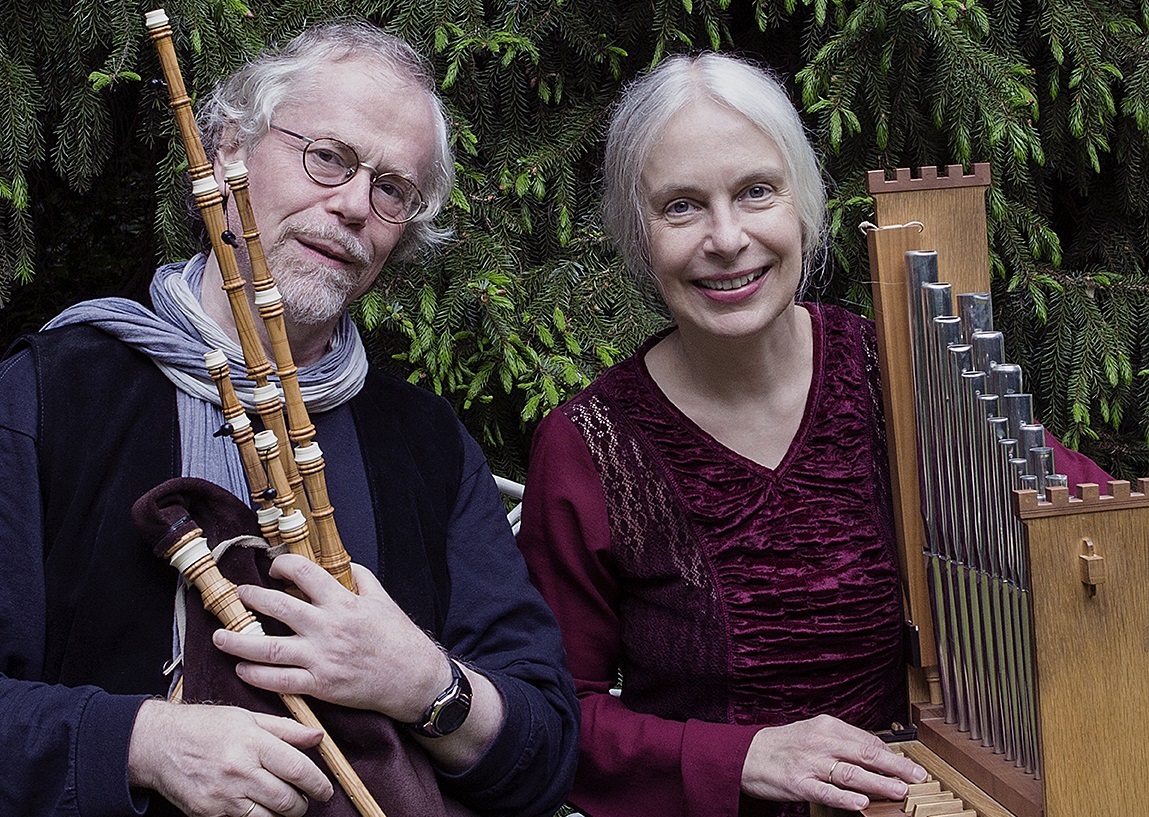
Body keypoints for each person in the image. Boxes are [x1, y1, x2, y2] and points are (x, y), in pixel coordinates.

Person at [0, 21, 577, 817]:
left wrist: (420, 682)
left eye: (391, 190)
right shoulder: (50, 395)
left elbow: (544, 749)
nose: (351, 207)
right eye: (329, 158)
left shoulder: (425, 447)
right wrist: (143, 742)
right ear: (230, 147)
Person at [514, 52, 1113, 817]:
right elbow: (554, 718)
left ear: (802, 207)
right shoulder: (587, 447)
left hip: (925, 793)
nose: (726, 238)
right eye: (681, 206)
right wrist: (743, 757)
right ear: (639, 235)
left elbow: (1084, 521)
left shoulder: (899, 364)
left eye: (755, 192)